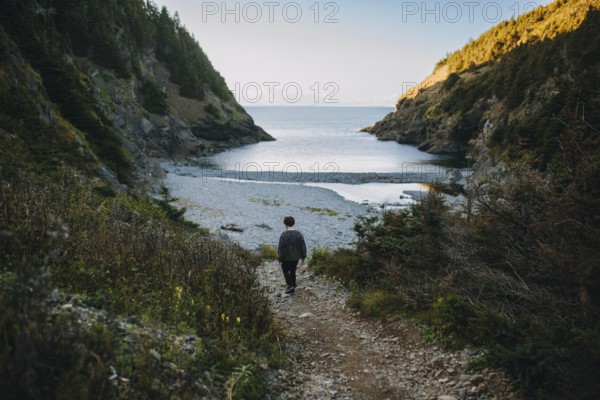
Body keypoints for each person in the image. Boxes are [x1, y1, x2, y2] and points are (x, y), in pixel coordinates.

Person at [277, 216, 307, 295]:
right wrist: (303, 256)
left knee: (285, 270)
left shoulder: (283, 235)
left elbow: (281, 248)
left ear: (285, 224)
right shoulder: (298, 234)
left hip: (286, 257)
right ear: (293, 223)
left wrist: (280, 259)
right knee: (293, 270)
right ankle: (293, 284)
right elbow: (302, 245)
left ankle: (290, 285)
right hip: (296, 257)